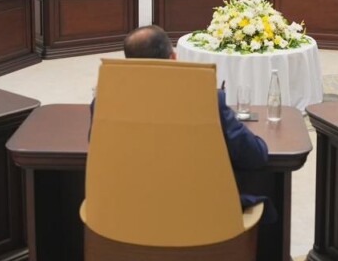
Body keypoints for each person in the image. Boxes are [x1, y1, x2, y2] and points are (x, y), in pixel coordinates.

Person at [90, 25, 268, 208]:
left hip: (125, 210)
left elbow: (97, 148)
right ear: (173, 58)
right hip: (201, 213)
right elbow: (255, 156)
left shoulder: (104, 101)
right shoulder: (207, 98)